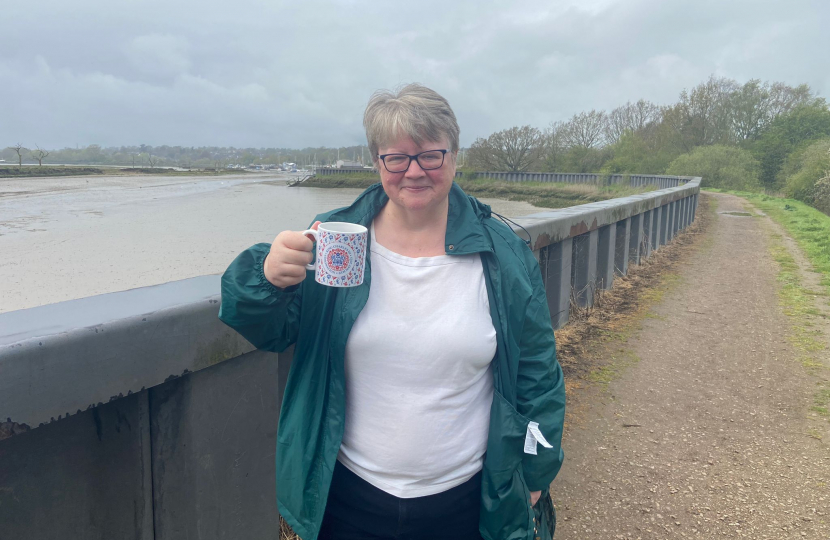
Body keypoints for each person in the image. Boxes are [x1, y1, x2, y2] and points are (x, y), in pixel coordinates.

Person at [218, 84, 566, 540]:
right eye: (396, 158)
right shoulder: (333, 242)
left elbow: (538, 374)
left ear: (455, 156)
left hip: (467, 499)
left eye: (430, 155)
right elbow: (268, 330)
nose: (414, 171)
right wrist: (267, 276)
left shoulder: (504, 258)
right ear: (377, 161)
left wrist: (534, 479)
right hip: (345, 497)